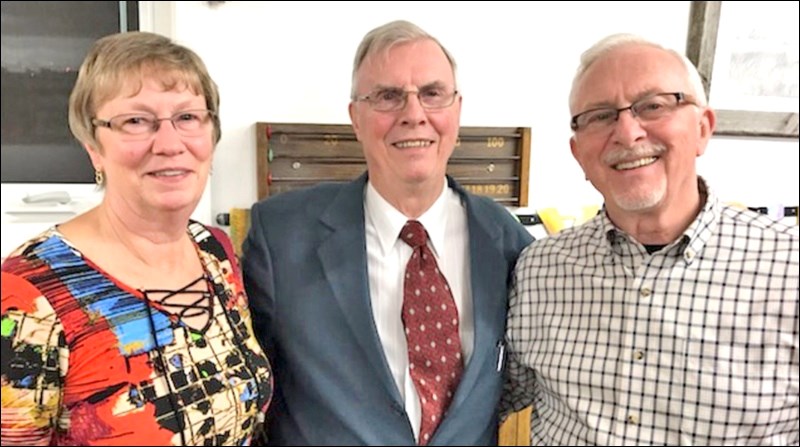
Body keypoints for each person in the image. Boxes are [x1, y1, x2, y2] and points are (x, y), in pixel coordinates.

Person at [242, 20, 533, 445]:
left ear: (456, 110)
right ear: (355, 117)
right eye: (387, 97)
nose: (413, 115)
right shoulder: (280, 237)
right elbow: (250, 394)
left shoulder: (508, 242)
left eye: (432, 94)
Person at [501, 33, 799, 445]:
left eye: (653, 106)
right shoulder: (538, 269)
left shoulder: (789, 268)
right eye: (600, 115)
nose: (627, 132)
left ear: (703, 128)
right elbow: (490, 397)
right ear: (578, 153)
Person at [0, 32, 272, 446]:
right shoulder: (29, 294)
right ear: (93, 146)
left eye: (187, 117)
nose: (169, 144)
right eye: (135, 121)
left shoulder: (215, 250)